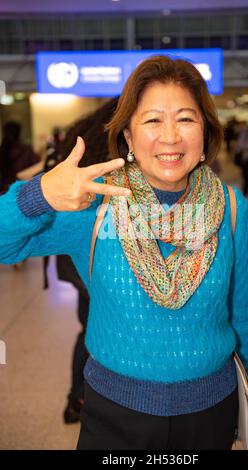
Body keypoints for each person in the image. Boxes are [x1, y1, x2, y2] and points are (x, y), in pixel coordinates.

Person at [0, 56, 248, 450]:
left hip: (211, 412)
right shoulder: (93, 205)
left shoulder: (231, 208)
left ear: (206, 132)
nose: (171, 136)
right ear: (128, 136)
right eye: (153, 120)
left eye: (186, 119)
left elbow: (240, 310)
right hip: (115, 418)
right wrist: (38, 196)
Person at [44, 99, 119, 423]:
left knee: (88, 329)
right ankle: (97, 401)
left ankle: (76, 399)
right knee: (101, 332)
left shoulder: (79, 136)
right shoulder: (115, 151)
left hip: (77, 257)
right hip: (98, 255)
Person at [0, 121, 39, 195]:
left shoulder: (2, 150)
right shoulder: (26, 150)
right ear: (19, 133)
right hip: (22, 191)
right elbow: (37, 170)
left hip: (3, 193)